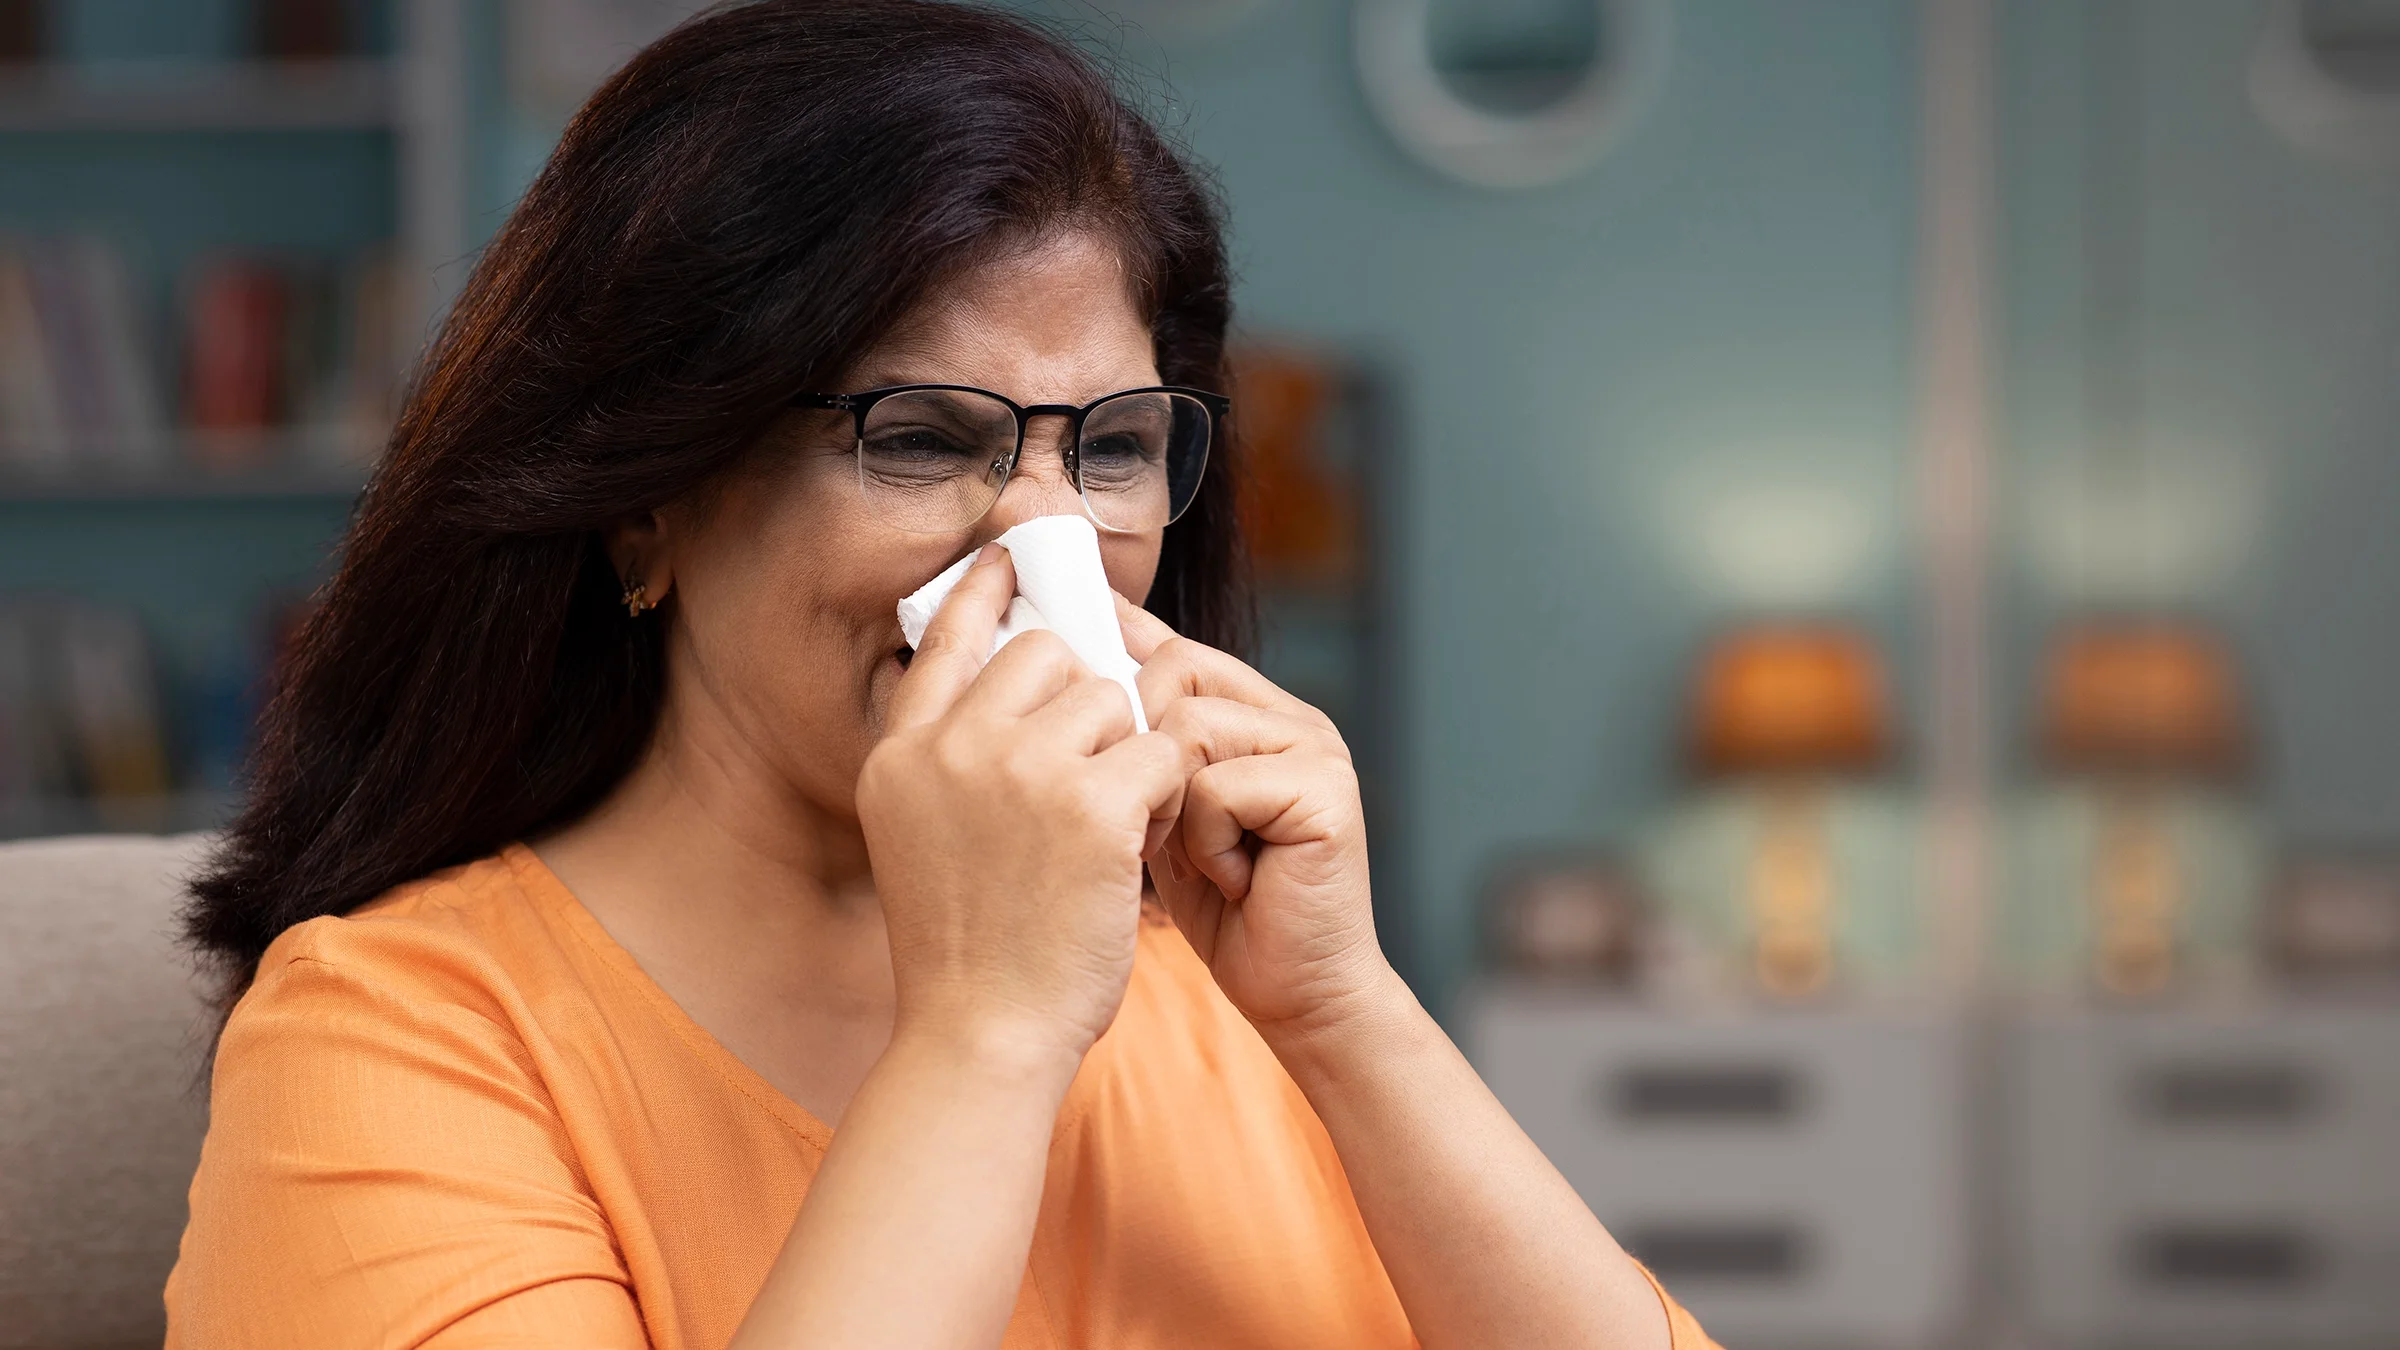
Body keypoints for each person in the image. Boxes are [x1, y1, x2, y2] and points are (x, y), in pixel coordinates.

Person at [167, 4, 1719, 1347]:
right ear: (645, 495)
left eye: (1111, 445)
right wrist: (984, 1034)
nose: (1045, 542)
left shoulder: (1222, 991)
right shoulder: (395, 1039)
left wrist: (1344, 1014)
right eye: (919, 437)